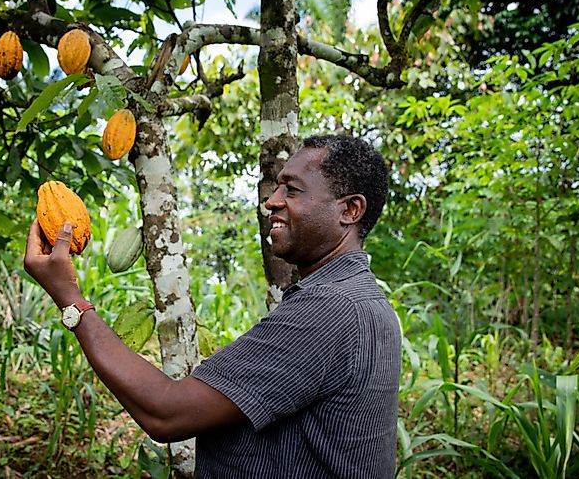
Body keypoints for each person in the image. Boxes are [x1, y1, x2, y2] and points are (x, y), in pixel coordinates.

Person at [24, 134, 401, 478]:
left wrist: (70, 299)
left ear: (349, 210)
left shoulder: (330, 310)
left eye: (293, 190)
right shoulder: (363, 300)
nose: (271, 201)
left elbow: (165, 412)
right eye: (277, 186)